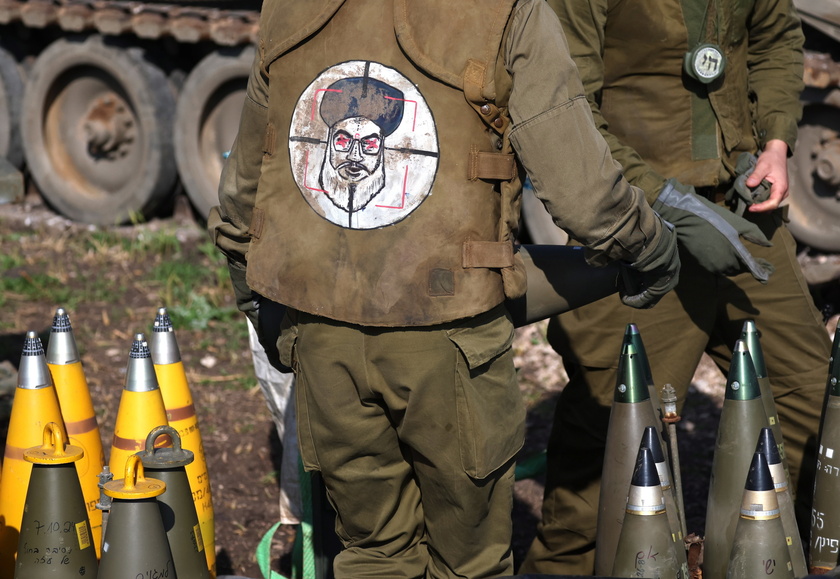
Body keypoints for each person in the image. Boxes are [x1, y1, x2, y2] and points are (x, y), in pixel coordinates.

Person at [208, 1, 682, 576]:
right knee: (470, 564)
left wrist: (257, 297)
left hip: (322, 334)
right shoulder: (511, 11)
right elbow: (583, 193)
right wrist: (651, 245)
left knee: (373, 553)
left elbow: (244, 187)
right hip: (450, 342)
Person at [520, 0, 832, 575]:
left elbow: (776, 40)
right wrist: (663, 201)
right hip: (636, 228)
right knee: (602, 471)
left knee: (822, 426)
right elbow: (564, 108)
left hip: (745, 216)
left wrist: (778, 143)